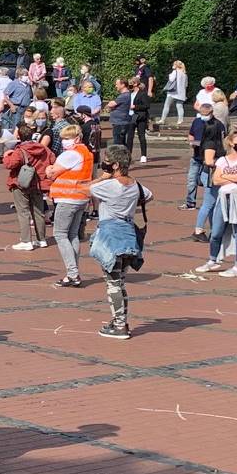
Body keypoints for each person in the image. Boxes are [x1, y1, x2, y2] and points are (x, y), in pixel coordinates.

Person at [87, 146, 149, 340]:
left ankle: (120, 325)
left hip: (111, 236)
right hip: (128, 235)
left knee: (113, 282)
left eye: (107, 161)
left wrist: (103, 177)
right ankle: (119, 321)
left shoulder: (109, 186)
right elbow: (148, 196)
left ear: (115, 165)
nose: (104, 164)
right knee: (120, 280)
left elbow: (87, 188)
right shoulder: (136, 185)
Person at [197, 127, 237, 277]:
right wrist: (232, 178)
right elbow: (215, 180)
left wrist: (225, 176)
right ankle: (213, 260)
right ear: (230, 143)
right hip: (223, 197)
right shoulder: (222, 160)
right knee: (216, 231)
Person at [44, 123, 95, 289]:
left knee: (60, 234)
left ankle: (73, 274)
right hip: (81, 197)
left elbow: (51, 173)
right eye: (63, 138)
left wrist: (49, 168)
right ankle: (73, 272)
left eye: (67, 138)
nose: (64, 141)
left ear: (77, 138)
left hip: (68, 198)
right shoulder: (86, 153)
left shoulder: (70, 154)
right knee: (72, 235)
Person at [3, 124, 53, 252]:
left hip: (21, 184)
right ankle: (41, 239)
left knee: (23, 212)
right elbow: (53, 159)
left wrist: (6, 155)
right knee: (38, 212)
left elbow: (9, 164)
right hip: (38, 184)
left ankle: (26, 241)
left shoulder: (20, 150)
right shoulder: (43, 148)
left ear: (19, 136)